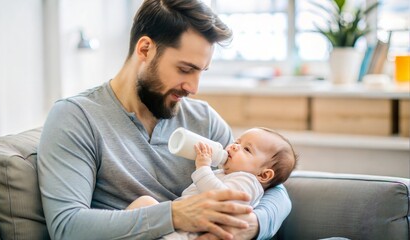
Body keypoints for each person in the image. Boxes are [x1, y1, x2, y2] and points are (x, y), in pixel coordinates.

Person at [37, 0, 292, 239]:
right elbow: (67, 227)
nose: (193, 87)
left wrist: (251, 225)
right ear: (145, 49)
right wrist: (175, 215)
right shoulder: (77, 118)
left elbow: (274, 189)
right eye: (185, 69)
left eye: (201, 72)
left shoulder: (202, 118)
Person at [127, 127, 298, 239]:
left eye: (247, 149)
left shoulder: (248, 182)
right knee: (145, 203)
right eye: (237, 142)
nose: (234, 147)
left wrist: (203, 168)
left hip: (192, 233)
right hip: (176, 225)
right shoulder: (225, 172)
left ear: (264, 175)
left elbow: (223, 198)